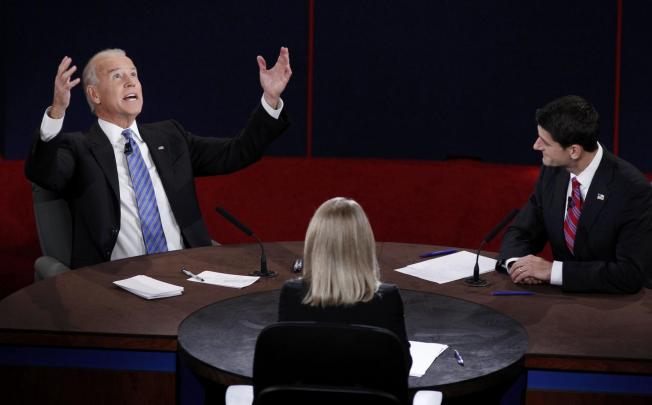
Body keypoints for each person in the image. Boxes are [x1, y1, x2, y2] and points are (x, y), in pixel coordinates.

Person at [25, 47, 292, 268]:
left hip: (188, 271)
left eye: (134, 74)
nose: (131, 82)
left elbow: (237, 152)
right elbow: (44, 174)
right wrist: (57, 112)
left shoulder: (170, 136)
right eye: (117, 76)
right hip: (115, 282)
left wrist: (270, 99)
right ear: (94, 94)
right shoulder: (79, 147)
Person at [498, 95, 652, 294]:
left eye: (544, 142)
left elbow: (629, 274)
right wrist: (517, 264)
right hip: (563, 303)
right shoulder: (553, 171)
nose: (536, 146)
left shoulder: (632, 190)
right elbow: (521, 232)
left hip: (617, 307)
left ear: (573, 151)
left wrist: (553, 271)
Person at [278, 197, 412, 368]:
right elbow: (402, 367)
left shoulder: (291, 294)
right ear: (364, 243)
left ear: (314, 243)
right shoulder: (386, 298)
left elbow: (283, 363)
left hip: (306, 394)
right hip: (368, 394)